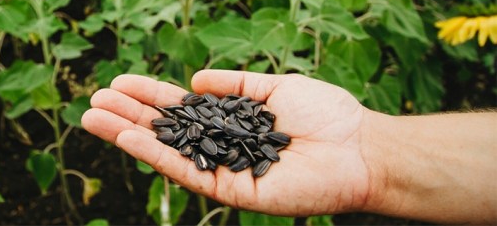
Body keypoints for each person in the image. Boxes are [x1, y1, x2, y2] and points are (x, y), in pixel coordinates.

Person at [81, 70, 497, 225]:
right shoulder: (224, 129)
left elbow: (223, 132)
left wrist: (370, 146)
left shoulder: (233, 131)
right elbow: (219, 132)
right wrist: (372, 146)